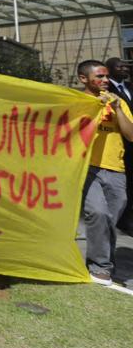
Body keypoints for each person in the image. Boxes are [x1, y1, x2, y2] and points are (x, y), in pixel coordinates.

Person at [77, 59, 133, 285]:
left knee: (111, 218)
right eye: (99, 76)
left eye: (106, 76)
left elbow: (131, 135)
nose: (105, 80)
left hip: (115, 169)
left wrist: (118, 107)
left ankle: (103, 264)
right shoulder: (76, 101)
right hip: (86, 168)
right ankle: (100, 268)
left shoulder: (117, 102)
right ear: (83, 79)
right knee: (97, 213)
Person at [105, 57, 133, 233]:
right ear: (109, 69)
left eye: (125, 66)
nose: (124, 68)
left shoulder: (129, 87)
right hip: (121, 144)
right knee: (126, 185)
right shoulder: (107, 90)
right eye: (119, 66)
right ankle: (124, 221)